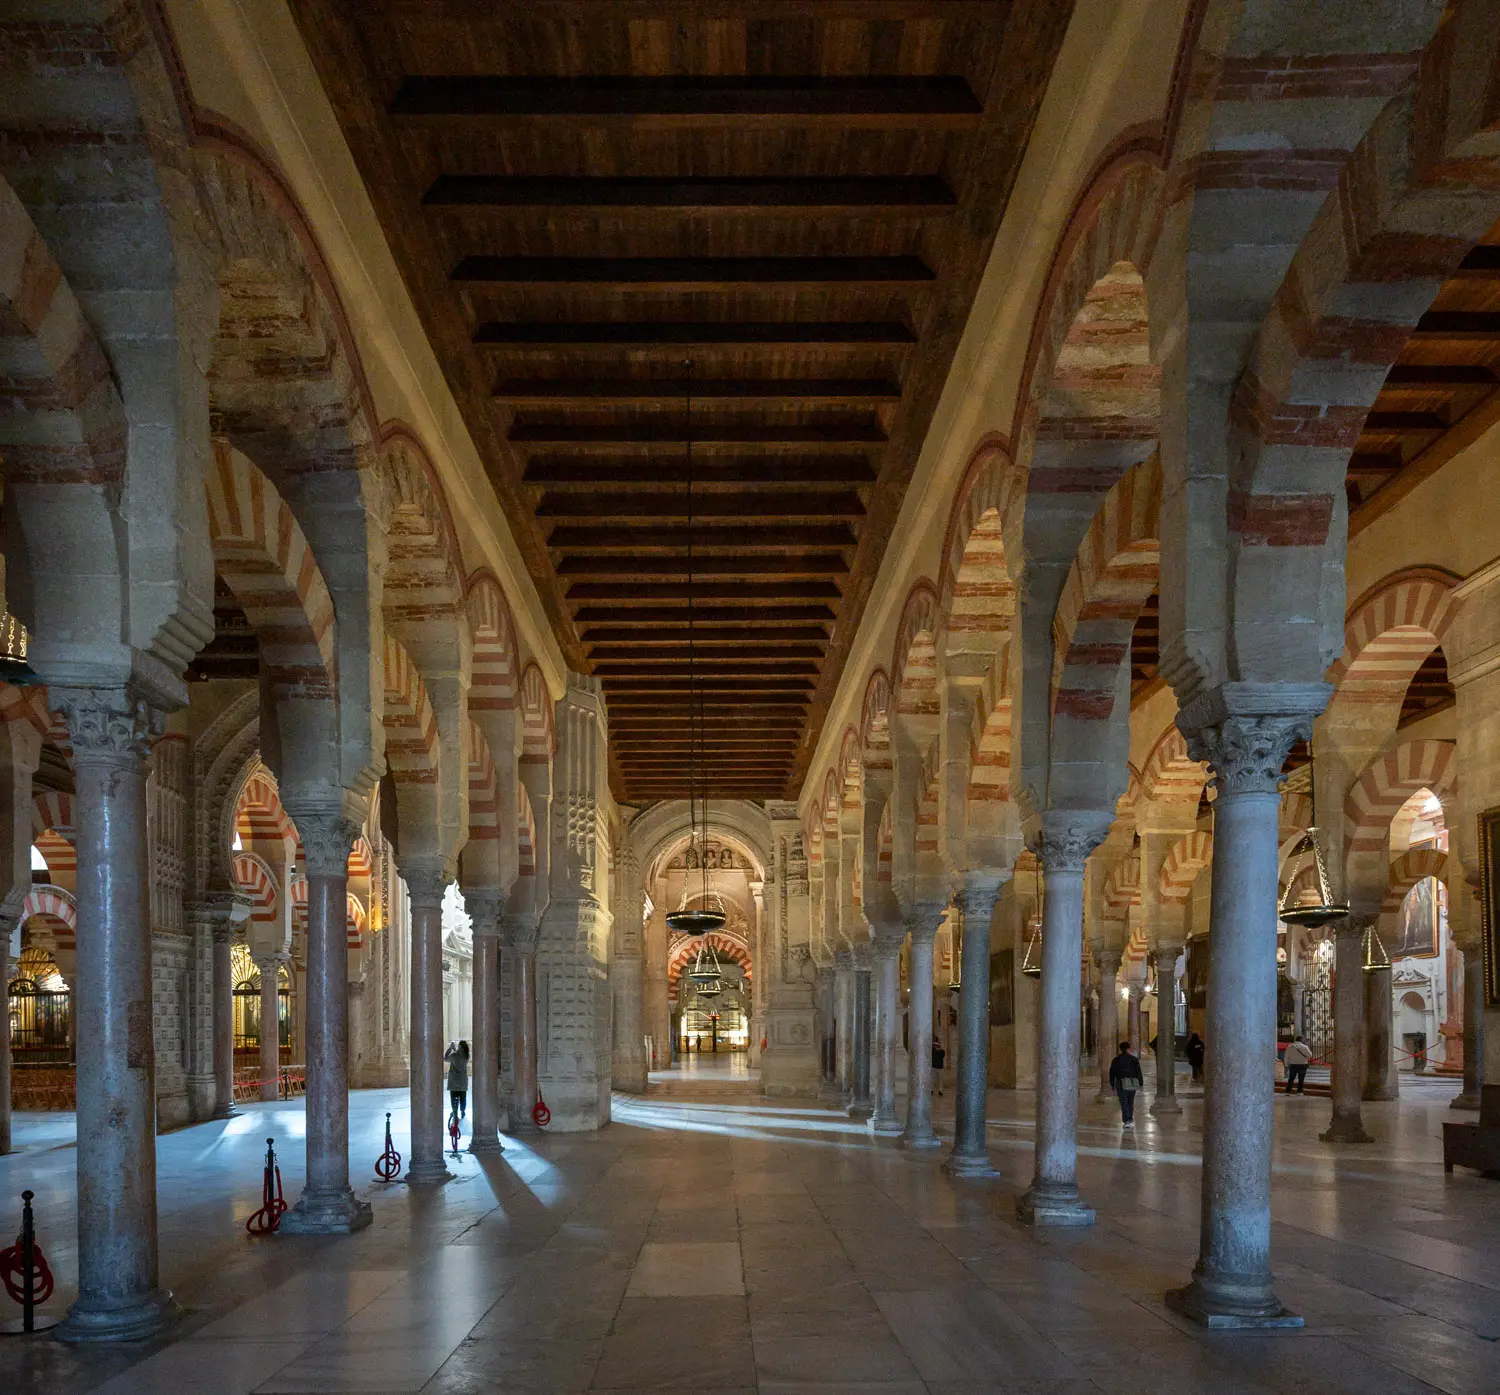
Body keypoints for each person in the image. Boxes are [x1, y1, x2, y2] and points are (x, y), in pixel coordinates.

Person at [1109, 1040, 1144, 1127]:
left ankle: (1127, 1120)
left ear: (1120, 1049)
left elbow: (1112, 1072)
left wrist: (1112, 1084)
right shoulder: (1134, 1059)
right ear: (1128, 1049)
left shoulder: (1116, 1060)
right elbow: (1138, 1072)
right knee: (1130, 1102)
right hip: (1132, 1082)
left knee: (1123, 1102)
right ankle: (1129, 1119)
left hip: (1120, 1083)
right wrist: (1140, 1083)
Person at [444, 1039, 470, 1119]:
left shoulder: (454, 1055)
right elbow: (459, 1057)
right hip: (462, 1080)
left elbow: (446, 1058)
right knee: (463, 1097)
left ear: (459, 1046)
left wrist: (450, 1048)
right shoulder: (467, 1056)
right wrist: (455, 1050)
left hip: (454, 1080)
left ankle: (455, 1112)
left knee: (454, 1097)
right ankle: (462, 1111)